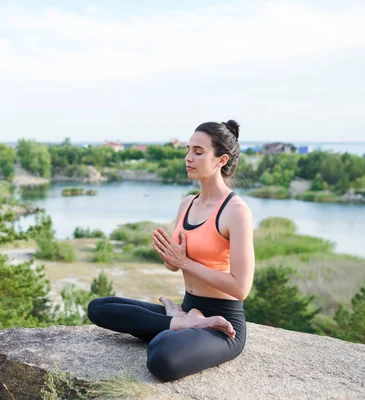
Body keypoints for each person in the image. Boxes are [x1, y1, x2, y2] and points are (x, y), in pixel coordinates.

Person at [87, 120, 255, 382]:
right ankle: (183, 321)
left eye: (198, 152)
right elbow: (174, 265)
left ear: (221, 160)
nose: (189, 158)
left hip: (224, 324)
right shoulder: (187, 204)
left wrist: (184, 262)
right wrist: (171, 258)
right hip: (188, 308)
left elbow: (240, 287)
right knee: (99, 307)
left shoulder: (236, 212)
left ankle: (182, 323)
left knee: (162, 357)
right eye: (188, 150)